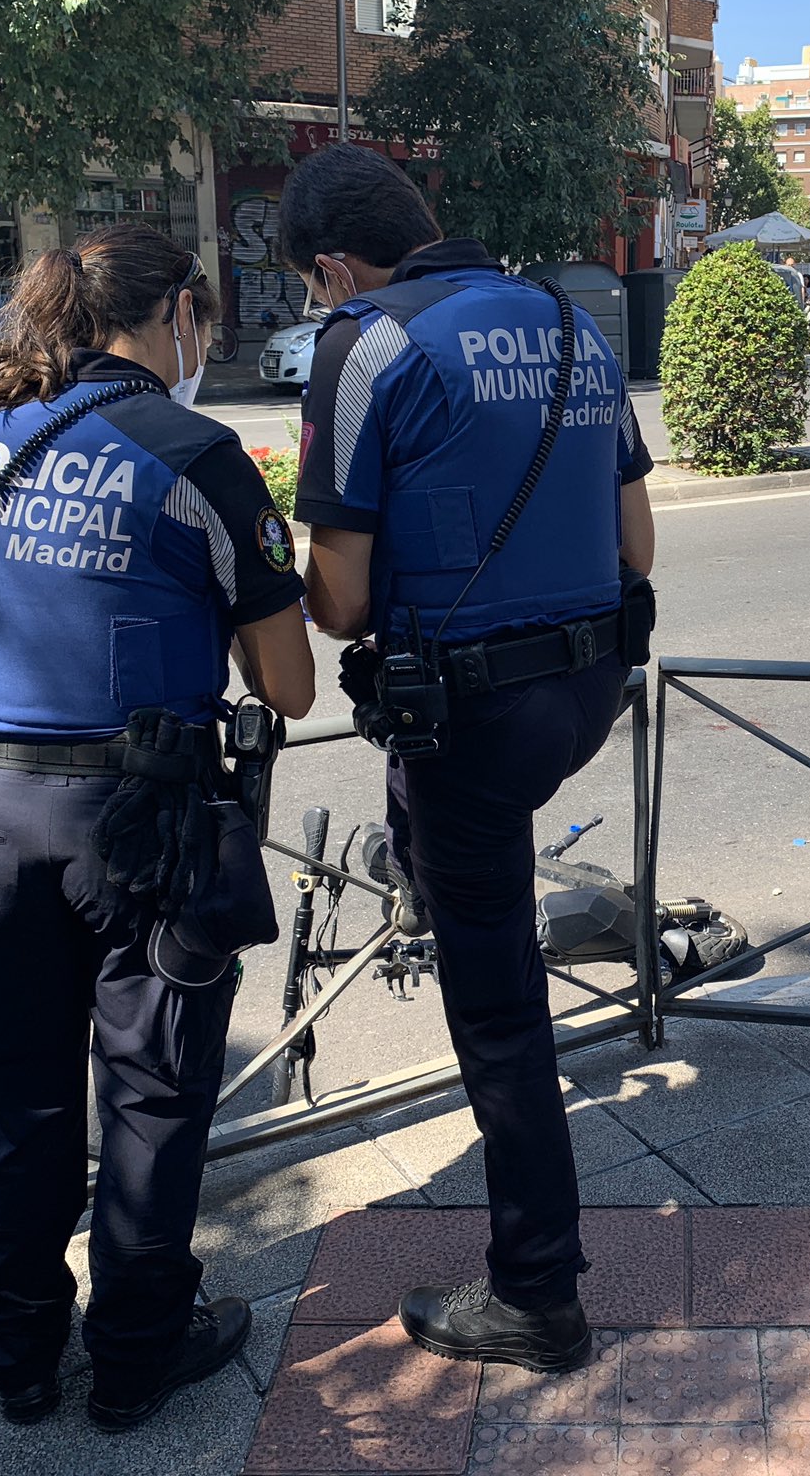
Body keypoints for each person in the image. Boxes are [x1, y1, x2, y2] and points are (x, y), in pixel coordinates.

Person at [0, 223, 316, 1431]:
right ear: (178, 313)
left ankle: (17, 1359)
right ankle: (135, 1358)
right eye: (203, 317)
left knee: (16, 1096)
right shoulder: (195, 451)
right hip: (147, 829)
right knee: (150, 1095)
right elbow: (288, 685)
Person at [281, 144, 654, 1374]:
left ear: (333, 264)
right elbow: (635, 535)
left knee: (499, 1019)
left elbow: (335, 605)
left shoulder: (364, 343)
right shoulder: (569, 320)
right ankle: (436, 874)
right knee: (454, 860)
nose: (315, 306)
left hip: (467, 720)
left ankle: (537, 1294)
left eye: (310, 286)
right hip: (585, 691)